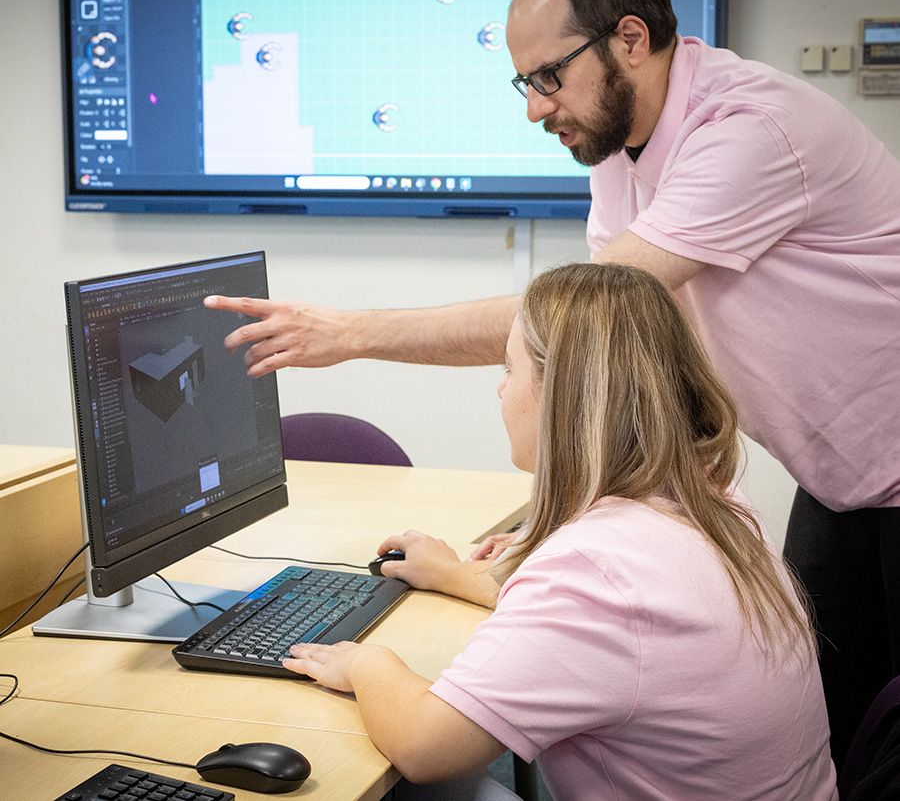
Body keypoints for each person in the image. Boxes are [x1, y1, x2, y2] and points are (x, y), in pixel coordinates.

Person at [206, 0, 900, 769]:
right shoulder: (623, 144)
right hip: (842, 477)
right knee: (850, 733)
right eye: (524, 83)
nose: (535, 108)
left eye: (548, 77)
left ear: (631, 41)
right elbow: (601, 322)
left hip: (887, 466)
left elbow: (571, 325)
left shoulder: (750, 132)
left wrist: (351, 335)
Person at [281, 263, 837, 801]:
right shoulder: (712, 501)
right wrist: (453, 574)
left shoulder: (597, 568)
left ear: (563, 396)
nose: (500, 391)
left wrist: (366, 663)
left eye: (509, 370)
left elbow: (426, 748)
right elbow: (618, 627)